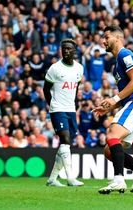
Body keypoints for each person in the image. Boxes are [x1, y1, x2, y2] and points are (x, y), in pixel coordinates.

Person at [92, 25, 133, 194]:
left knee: (111, 134)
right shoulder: (116, 65)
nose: (103, 41)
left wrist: (114, 98)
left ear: (118, 38)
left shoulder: (125, 54)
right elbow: (127, 91)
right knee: (109, 150)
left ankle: (118, 180)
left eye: (106, 37)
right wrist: (111, 105)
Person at [43, 38, 84, 187]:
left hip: (71, 110)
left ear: (74, 51)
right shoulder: (55, 68)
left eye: (69, 48)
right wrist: (52, 105)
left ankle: (52, 178)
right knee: (65, 139)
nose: (66, 51)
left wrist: (75, 102)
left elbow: (76, 86)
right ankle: (70, 178)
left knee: (65, 144)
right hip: (58, 109)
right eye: (64, 48)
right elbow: (45, 89)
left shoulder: (79, 68)